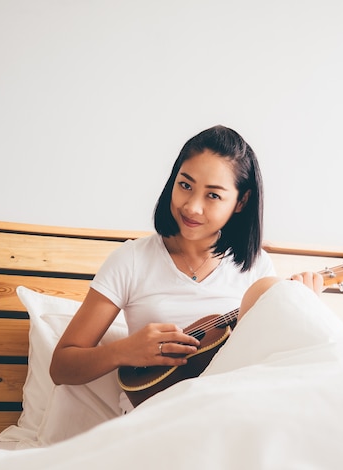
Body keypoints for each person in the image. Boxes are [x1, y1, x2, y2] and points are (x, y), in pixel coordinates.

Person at [49, 125, 324, 397]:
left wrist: (301, 309)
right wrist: (125, 350)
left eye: (213, 195)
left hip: (233, 404)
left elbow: (268, 362)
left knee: (269, 293)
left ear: (241, 202)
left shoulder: (256, 266)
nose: (192, 206)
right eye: (185, 185)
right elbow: (61, 367)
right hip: (157, 413)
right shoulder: (131, 260)